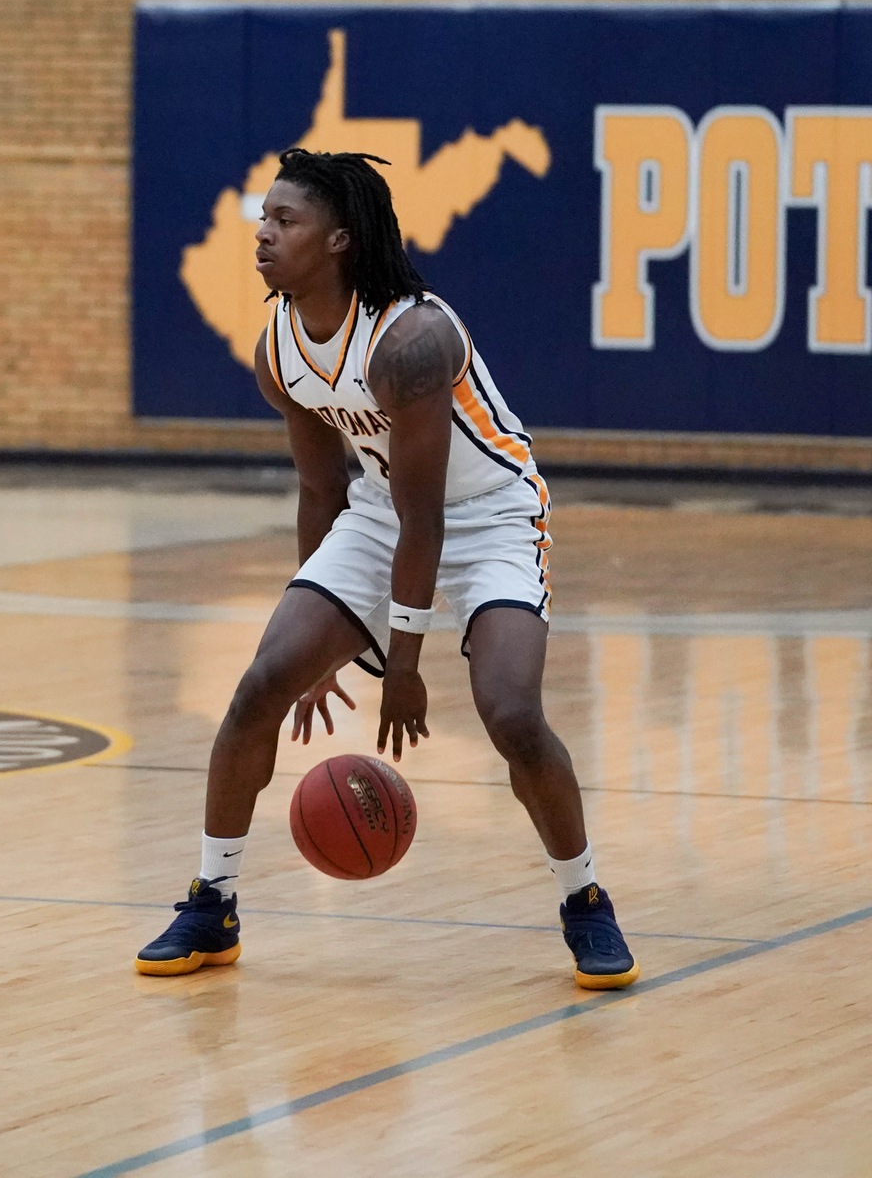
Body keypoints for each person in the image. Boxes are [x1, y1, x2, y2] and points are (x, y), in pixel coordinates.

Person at [132, 149, 638, 989]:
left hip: (490, 515)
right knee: (260, 685)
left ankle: (583, 899)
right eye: (263, 216)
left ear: (338, 238)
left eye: (284, 219)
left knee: (511, 712)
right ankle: (210, 901)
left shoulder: (411, 338)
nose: (262, 233)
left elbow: (427, 517)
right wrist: (317, 642)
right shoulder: (278, 348)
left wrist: (401, 665)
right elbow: (321, 488)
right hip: (377, 513)